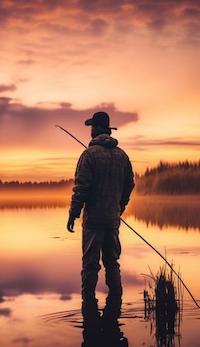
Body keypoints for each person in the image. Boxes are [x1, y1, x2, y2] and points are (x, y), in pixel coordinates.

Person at [67, 111, 135, 306]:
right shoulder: (123, 156)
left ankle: (88, 305)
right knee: (112, 263)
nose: (90, 130)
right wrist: (119, 207)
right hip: (112, 219)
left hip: (94, 221)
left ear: (96, 128)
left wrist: (73, 213)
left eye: (91, 126)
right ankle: (116, 304)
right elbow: (129, 184)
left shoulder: (88, 155)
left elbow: (81, 188)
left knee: (90, 265)